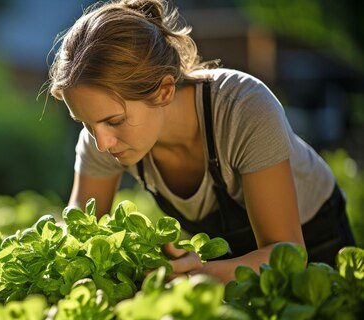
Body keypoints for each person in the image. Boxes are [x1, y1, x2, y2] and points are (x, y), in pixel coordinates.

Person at [46, 0, 355, 282]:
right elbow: (79, 230)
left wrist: (196, 273)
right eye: (86, 123)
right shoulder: (105, 138)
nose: (101, 142)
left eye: (114, 121)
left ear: (164, 90)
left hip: (314, 240)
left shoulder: (243, 107)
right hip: (226, 261)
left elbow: (288, 256)